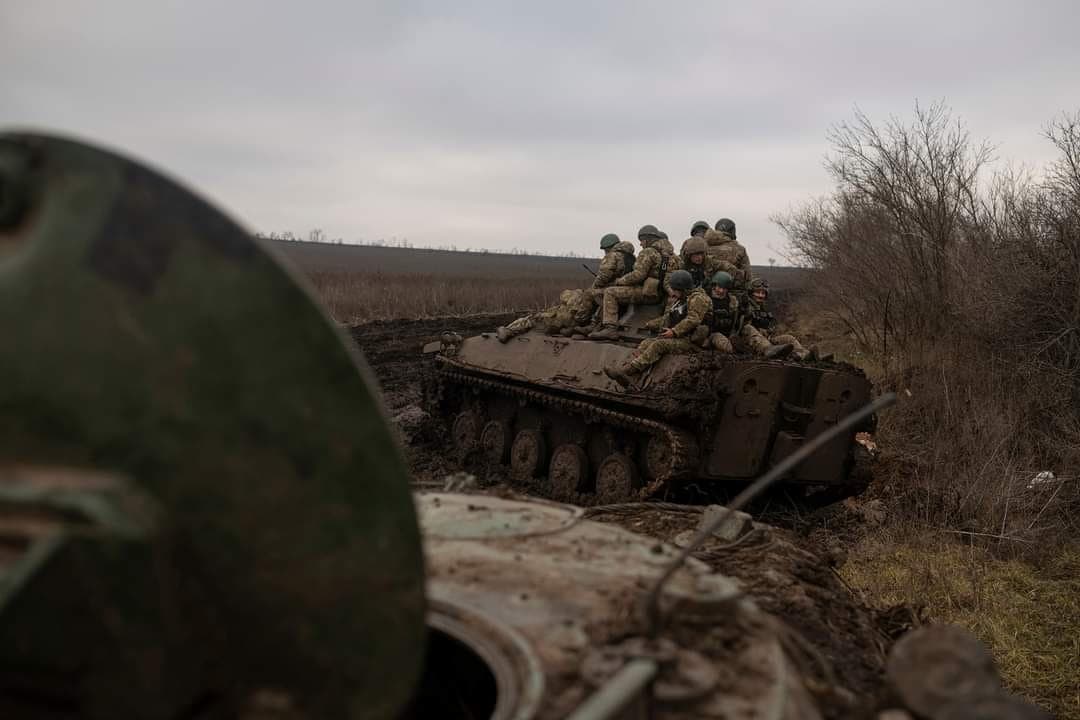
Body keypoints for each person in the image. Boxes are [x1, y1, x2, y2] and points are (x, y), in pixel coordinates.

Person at [602, 270, 708, 387]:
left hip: (690, 342)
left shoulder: (698, 299)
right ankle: (628, 369)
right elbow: (668, 317)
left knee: (658, 345)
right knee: (646, 343)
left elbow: (693, 320)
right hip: (680, 338)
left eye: (674, 290)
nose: (672, 293)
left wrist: (674, 331)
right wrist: (651, 324)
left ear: (682, 289)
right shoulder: (682, 300)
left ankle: (628, 371)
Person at [588, 225, 677, 340]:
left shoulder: (649, 252)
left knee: (610, 292)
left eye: (641, 241)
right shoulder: (673, 256)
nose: (641, 244)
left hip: (646, 294)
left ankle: (610, 328)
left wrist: (619, 281)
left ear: (647, 239)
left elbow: (638, 275)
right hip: (663, 295)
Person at [740, 277, 824, 360]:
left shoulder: (762, 309)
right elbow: (742, 327)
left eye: (763, 293)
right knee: (748, 328)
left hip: (766, 340)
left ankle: (804, 355)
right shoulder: (745, 305)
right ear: (751, 293)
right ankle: (768, 350)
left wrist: (768, 330)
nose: (760, 295)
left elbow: (770, 328)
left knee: (788, 338)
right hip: (751, 343)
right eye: (757, 292)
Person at [495, 289, 588, 343]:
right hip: (568, 323)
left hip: (556, 322)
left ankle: (509, 330)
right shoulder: (584, 299)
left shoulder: (575, 297)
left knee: (532, 319)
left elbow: (563, 315)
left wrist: (542, 315)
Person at [703, 217, 752, 289]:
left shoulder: (703, 246)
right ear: (732, 231)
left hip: (705, 290)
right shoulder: (740, 249)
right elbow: (747, 277)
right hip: (730, 292)